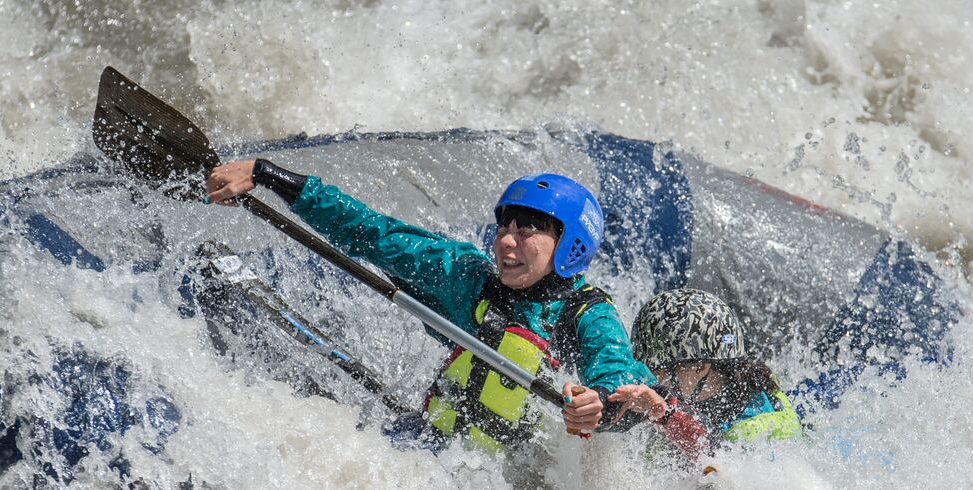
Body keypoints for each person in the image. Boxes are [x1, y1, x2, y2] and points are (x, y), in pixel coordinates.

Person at [206, 159, 656, 451]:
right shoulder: (468, 276)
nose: (506, 241)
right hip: (427, 452)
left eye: (527, 231)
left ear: (569, 245)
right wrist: (269, 176)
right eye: (505, 226)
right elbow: (373, 233)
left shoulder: (585, 313)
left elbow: (618, 373)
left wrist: (603, 404)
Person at [607, 288, 802, 463]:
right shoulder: (710, 392)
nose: (650, 378)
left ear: (700, 366)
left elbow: (716, 469)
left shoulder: (751, 430)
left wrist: (664, 413)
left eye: (657, 368)